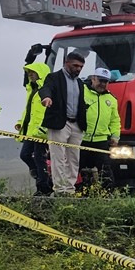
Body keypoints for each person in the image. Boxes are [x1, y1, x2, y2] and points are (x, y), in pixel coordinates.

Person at [38, 52, 88, 196]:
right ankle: (60, 189)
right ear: (66, 63)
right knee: (58, 157)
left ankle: (70, 188)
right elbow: (45, 88)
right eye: (75, 66)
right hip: (60, 123)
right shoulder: (54, 77)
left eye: (81, 67)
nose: (78, 69)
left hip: (76, 124)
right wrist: (46, 97)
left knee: (73, 158)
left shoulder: (80, 82)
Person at [78, 68, 121, 192]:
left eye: (106, 82)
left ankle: (107, 194)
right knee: (76, 169)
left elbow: (115, 120)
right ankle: (77, 193)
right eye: (100, 80)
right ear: (93, 78)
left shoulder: (111, 99)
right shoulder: (82, 92)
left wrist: (115, 137)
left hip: (101, 141)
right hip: (82, 139)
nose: (103, 84)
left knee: (105, 170)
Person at [15, 62, 52, 196]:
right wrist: (21, 122)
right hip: (31, 130)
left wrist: (45, 127)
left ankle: (43, 188)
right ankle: (42, 177)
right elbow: (28, 110)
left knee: (39, 158)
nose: (30, 74)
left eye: (32, 72)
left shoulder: (48, 89)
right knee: (24, 155)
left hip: (42, 131)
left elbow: (49, 111)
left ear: (40, 73)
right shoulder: (31, 89)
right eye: (28, 72)